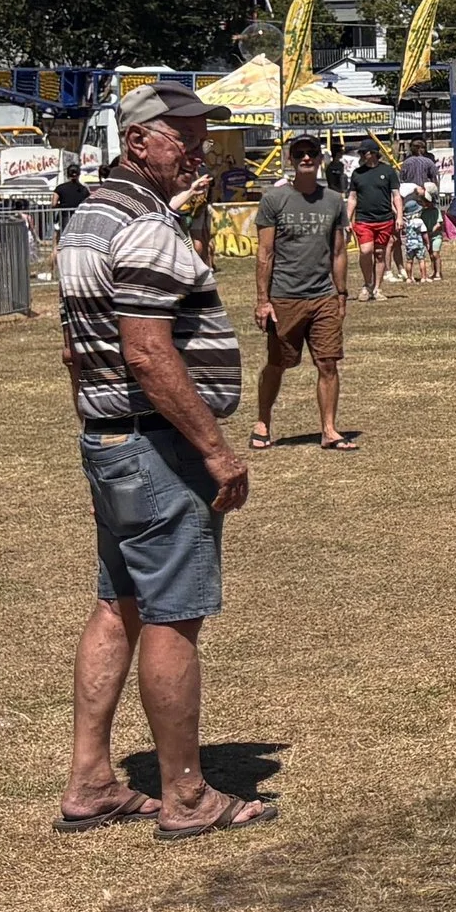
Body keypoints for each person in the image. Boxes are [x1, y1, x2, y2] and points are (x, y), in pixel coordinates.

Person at [54, 79, 273, 839]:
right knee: (174, 615)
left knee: (118, 602)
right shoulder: (144, 227)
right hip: (156, 444)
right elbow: (147, 351)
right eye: (182, 133)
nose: (197, 147)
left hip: (112, 438)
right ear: (138, 140)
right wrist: (214, 449)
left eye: (199, 133)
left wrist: (99, 438)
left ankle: (90, 780)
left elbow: (74, 352)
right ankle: (186, 795)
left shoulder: (87, 219)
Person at [251, 136, 354, 450]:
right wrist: (262, 300)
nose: (306, 158)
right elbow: (265, 253)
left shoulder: (334, 200)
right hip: (284, 297)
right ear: (290, 160)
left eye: (311, 153)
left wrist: (341, 295)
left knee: (328, 363)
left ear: (320, 159)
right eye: (300, 154)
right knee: (278, 363)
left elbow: (338, 252)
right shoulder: (274, 199)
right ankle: (263, 420)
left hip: (323, 296)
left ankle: (329, 430)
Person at [345, 142, 400, 301]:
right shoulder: (357, 174)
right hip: (364, 219)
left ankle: (377, 288)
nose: (361, 156)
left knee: (380, 253)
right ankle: (367, 283)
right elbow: (352, 198)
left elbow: (396, 195)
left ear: (374, 153)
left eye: (364, 153)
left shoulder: (388, 171)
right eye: (360, 153)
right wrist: (347, 219)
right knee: (365, 250)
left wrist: (399, 216)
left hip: (384, 219)